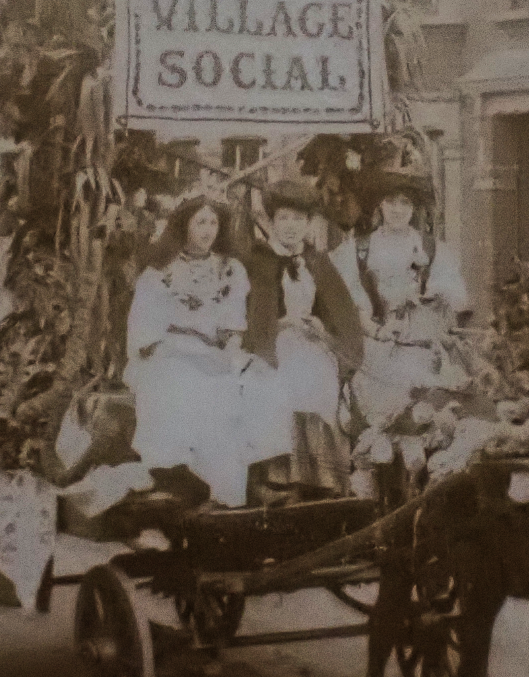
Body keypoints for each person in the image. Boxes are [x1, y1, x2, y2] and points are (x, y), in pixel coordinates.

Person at [122, 196, 258, 507]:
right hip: (170, 349)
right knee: (174, 381)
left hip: (214, 352)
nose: (208, 230)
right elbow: (144, 325)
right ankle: (176, 476)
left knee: (231, 390)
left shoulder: (230, 269)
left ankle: (222, 493)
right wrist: (165, 346)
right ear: (184, 226)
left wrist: (229, 353)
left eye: (213, 222)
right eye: (200, 222)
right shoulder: (160, 271)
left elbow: (234, 323)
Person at [242, 181, 365, 504]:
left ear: (309, 223)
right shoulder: (258, 261)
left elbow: (341, 313)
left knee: (317, 379)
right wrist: (278, 326)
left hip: (312, 343)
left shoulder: (318, 262)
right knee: (279, 382)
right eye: (284, 218)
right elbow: (248, 317)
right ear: (271, 221)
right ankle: (279, 479)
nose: (291, 226)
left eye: (299, 219)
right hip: (272, 346)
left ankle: (323, 479)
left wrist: (322, 327)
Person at [330, 168, 471, 427]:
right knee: (376, 412)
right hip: (371, 350)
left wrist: (428, 306)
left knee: (432, 406)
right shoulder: (357, 250)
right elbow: (344, 305)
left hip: (422, 347)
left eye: (404, 202)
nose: (397, 209)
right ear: (380, 206)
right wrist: (376, 330)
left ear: (414, 207)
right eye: (390, 201)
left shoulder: (431, 249)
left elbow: (455, 299)